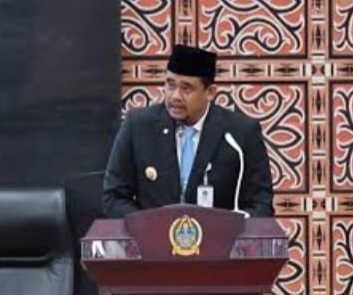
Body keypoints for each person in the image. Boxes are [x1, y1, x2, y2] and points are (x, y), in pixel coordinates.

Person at [102, 45, 274, 218]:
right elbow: (114, 197)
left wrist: (232, 225)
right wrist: (146, 225)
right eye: (170, 85)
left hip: (218, 234)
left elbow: (261, 204)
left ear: (210, 92)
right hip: (152, 234)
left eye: (186, 89)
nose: (175, 96)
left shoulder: (240, 133)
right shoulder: (138, 126)